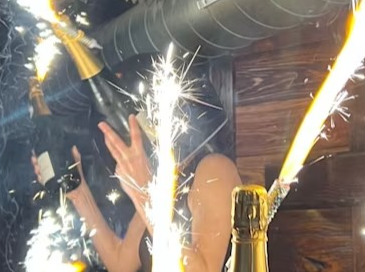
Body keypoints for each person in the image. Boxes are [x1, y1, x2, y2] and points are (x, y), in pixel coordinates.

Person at [31, 72, 241, 272]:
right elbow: (121, 263)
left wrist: (145, 195)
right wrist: (79, 194)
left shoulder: (215, 169)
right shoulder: (164, 185)